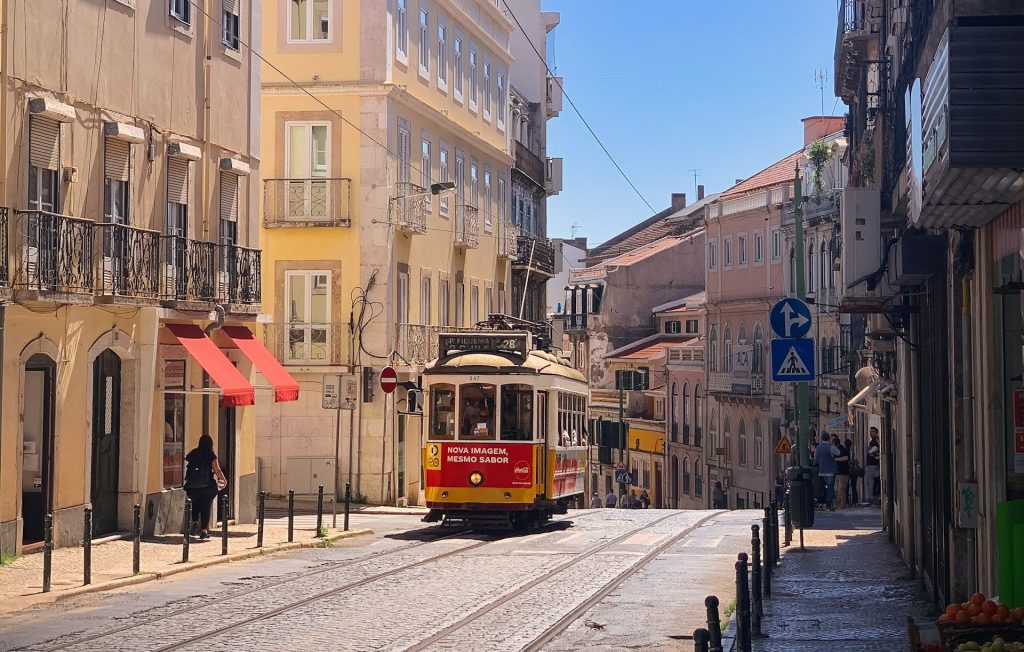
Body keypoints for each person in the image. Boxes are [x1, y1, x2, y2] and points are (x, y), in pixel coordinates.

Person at [184, 434, 227, 540]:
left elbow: (188, 463)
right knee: (205, 507)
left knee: (195, 504)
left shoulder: (193, 453)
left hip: (192, 486)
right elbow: (217, 470)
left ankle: (194, 522)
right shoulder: (211, 455)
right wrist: (223, 480)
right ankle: (204, 530)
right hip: (207, 486)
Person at [815, 433, 837, 510]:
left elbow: (816, 459)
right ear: (829, 439)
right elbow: (838, 453)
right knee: (830, 487)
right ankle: (829, 502)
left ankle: (824, 501)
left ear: (821, 439)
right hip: (830, 471)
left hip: (822, 471)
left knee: (824, 487)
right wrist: (832, 445)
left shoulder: (818, 448)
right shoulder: (830, 447)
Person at [832, 435, 850, 509]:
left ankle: (842, 504)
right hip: (837, 472)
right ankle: (838, 503)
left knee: (841, 489)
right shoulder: (835, 450)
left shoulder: (842, 449)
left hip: (843, 472)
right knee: (836, 489)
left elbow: (846, 458)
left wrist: (835, 459)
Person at [865, 428, 881, 506]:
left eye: (873, 432)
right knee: (871, 482)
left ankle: (873, 499)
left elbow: (878, 452)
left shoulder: (877, 441)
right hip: (871, 464)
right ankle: (873, 499)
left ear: (877, 433)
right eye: (870, 432)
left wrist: (873, 454)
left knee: (872, 482)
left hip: (873, 465)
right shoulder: (872, 442)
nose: (871, 433)